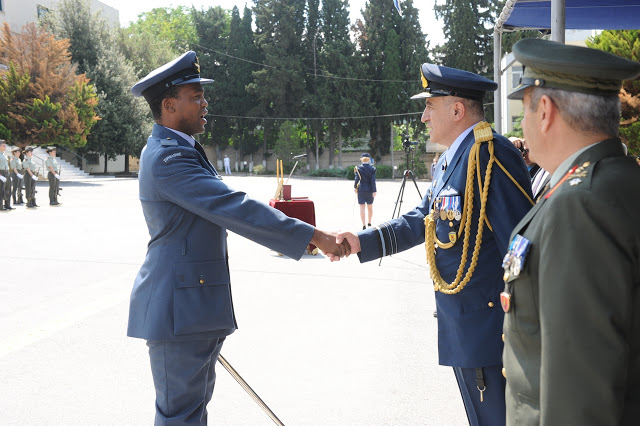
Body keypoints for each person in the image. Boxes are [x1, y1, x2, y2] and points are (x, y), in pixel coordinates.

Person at [128, 50, 349, 425]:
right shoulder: (168, 158)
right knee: (179, 416)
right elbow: (233, 207)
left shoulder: (181, 149)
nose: (204, 102)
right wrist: (314, 235)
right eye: (195, 96)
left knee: (191, 413)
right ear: (169, 105)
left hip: (191, 309)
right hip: (178, 310)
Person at [334, 63, 534, 426]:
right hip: (464, 322)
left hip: (491, 329)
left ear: (457, 110)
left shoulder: (491, 154)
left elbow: (522, 243)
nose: (424, 116)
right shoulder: (450, 162)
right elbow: (420, 221)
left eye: (430, 105)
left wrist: (524, 327)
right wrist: (360, 242)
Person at [501, 38, 640, 425]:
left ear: (544, 110)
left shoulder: (579, 206)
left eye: (523, 110)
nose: (521, 125)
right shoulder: (620, 181)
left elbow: (579, 394)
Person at [354, 152, 377, 229]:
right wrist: (374, 191)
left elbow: (357, 179)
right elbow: (373, 181)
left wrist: (355, 187)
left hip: (361, 190)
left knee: (362, 208)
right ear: (369, 159)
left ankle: (363, 225)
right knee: (370, 207)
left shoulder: (358, 168)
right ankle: (369, 222)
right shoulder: (372, 169)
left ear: (362, 159)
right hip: (370, 190)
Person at [0, 140, 13, 211]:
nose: (5, 147)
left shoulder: (4, 154)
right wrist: (0, 176)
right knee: (1, 190)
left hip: (7, 172)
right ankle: (0, 206)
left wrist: (9, 175)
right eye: (3, 145)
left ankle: (7, 205)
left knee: (8, 189)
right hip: (1, 173)